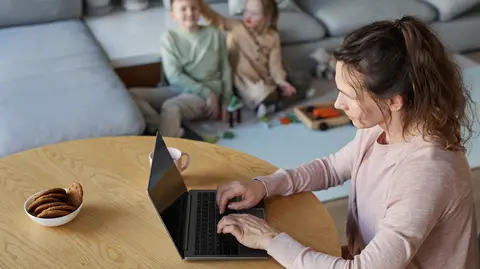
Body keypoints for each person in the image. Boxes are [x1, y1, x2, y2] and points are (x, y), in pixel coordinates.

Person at [214, 16, 479, 268]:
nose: (338, 104)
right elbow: (332, 167)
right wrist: (264, 186)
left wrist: (269, 239)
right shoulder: (383, 125)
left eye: (348, 95)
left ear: (394, 101)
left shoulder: (426, 174)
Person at [130, 0, 232, 137]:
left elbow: (225, 69)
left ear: (200, 11)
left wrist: (226, 102)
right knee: (131, 95)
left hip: (204, 94)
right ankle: (159, 125)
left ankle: (165, 152)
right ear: (173, 15)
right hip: (181, 88)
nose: (189, 13)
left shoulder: (214, 35)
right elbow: (174, 76)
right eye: (183, 9)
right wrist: (207, 92)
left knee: (171, 107)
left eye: (194, 8)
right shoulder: (169, 38)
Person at [199, 0, 296, 118]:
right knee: (259, 93)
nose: (248, 16)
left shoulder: (273, 36)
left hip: (265, 77)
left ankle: (276, 98)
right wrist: (199, 4)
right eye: (246, 11)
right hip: (243, 79)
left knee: (294, 79)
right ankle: (269, 102)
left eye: (254, 14)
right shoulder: (236, 27)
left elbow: (275, 64)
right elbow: (215, 19)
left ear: (266, 17)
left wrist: (281, 81)